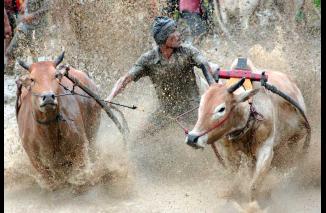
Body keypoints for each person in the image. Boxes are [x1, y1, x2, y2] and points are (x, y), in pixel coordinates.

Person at [106, 16, 216, 138]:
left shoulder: (188, 51)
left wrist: (213, 86)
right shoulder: (148, 59)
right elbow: (125, 79)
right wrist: (110, 97)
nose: (178, 34)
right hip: (166, 111)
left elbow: (203, 64)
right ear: (163, 38)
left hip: (192, 107)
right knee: (139, 139)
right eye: (173, 32)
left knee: (212, 132)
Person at [4, 0, 52, 75]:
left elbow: (48, 6)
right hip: (25, 26)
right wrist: (25, 3)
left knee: (37, 55)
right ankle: (8, 74)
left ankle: (40, 76)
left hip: (39, 27)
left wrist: (33, 15)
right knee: (11, 51)